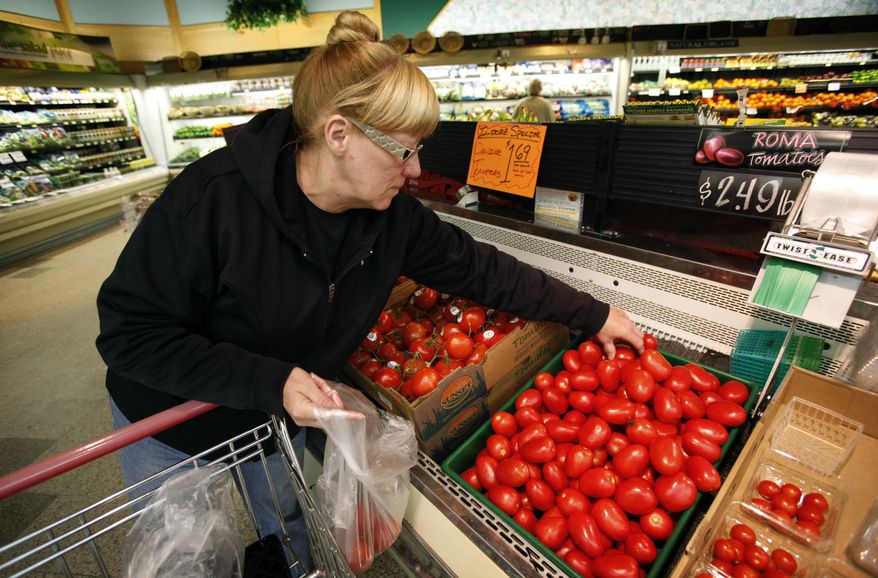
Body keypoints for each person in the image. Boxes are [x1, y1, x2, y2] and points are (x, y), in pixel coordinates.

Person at [96, 10, 643, 571]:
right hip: (170, 413)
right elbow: (129, 335)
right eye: (404, 149)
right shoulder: (211, 201)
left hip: (273, 418)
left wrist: (593, 312)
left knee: (287, 526)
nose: (416, 169)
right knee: (179, 558)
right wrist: (270, 379)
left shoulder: (392, 218)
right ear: (339, 135)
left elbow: (481, 270)